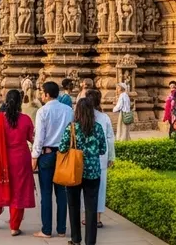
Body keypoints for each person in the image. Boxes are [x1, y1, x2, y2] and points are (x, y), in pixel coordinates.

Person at [0, 88, 35, 235]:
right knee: (19, 192)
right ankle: (14, 227)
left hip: (2, 161)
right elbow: (32, 139)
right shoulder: (25, 119)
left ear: (6, 101)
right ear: (20, 102)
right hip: (21, 161)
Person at [59, 97, 107, 245]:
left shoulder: (72, 127)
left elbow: (62, 147)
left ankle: (75, 239)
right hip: (93, 172)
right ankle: (90, 242)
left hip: (74, 170)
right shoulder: (98, 127)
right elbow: (102, 149)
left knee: (73, 205)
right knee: (91, 208)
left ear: (77, 111)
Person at [31, 81, 73, 239]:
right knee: (61, 192)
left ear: (47, 94)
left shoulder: (42, 111)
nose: (41, 95)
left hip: (46, 154)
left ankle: (46, 230)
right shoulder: (68, 110)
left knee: (46, 193)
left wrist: (34, 157)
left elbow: (39, 138)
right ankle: (62, 229)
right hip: (63, 155)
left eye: (42, 92)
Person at [86, 89, 115, 229]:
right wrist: (111, 157)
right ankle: (97, 218)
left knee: (85, 189)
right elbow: (110, 139)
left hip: (84, 159)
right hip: (101, 158)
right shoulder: (104, 118)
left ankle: (87, 216)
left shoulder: (80, 117)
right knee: (100, 188)